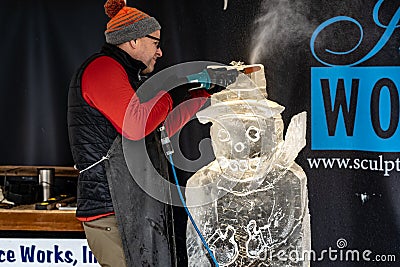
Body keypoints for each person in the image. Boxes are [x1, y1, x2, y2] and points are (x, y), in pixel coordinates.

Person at [67, 0, 238, 266]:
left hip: (135, 207)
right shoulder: (102, 69)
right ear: (134, 41)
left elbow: (159, 127)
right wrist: (176, 91)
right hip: (113, 210)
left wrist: (202, 95)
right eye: (155, 43)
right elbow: (136, 126)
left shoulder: (128, 76)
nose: (160, 52)